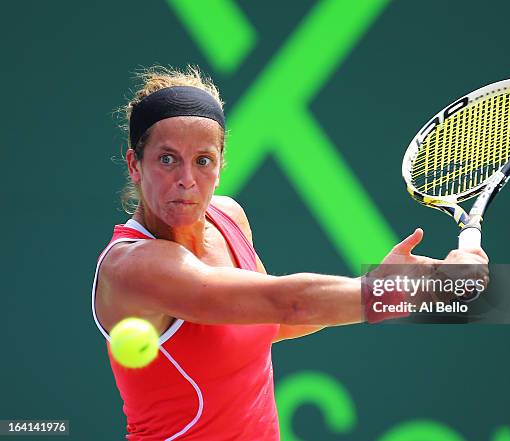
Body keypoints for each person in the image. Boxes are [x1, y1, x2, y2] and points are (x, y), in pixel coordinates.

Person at [91, 66, 488, 440]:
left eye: (203, 161)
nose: (186, 180)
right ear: (134, 165)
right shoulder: (134, 267)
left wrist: (382, 288)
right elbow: (288, 303)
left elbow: (270, 322)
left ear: (220, 165)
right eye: (167, 159)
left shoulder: (229, 218)